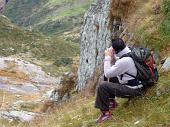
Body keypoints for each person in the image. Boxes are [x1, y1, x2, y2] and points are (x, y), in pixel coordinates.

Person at [95, 38, 143, 123]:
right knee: (112, 75)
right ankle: (111, 102)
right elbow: (118, 65)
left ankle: (105, 114)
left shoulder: (125, 61)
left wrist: (107, 57)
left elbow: (107, 73)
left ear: (115, 50)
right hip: (139, 83)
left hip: (135, 90)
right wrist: (113, 56)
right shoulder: (130, 51)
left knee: (103, 86)